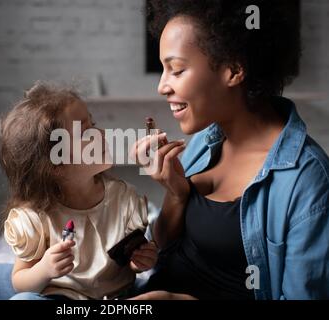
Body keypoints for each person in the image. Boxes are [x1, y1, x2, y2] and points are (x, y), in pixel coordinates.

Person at [129, 0, 329, 300]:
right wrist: (176, 193)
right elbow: (161, 250)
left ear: (234, 70)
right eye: (163, 70)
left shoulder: (307, 181)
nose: (162, 86)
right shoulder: (206, 140)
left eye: (177, 70)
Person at [0, 81, 158, 300]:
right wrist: (43, 270)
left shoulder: (124, 199)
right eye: (85, 132)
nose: (100, 133)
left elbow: (130, 263)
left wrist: (140, 261)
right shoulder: (36, 217)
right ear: (53, 165)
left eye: (94, 123)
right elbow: (20, 282)